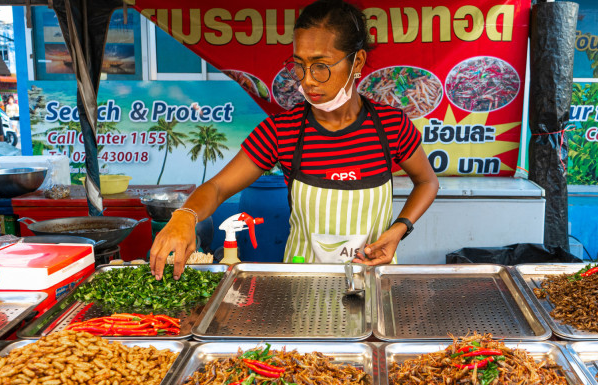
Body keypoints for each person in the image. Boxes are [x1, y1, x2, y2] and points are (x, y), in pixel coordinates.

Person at [150, 0, 438, 280]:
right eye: (300, 64)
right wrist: (185, 216)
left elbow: (427, 182)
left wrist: (400, 228)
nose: (308, 80)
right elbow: (217, 187)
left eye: (321, 65)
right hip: (301, 285)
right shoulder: (283, 130)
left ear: (357, 61)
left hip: (374, 281)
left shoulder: (390, 125)